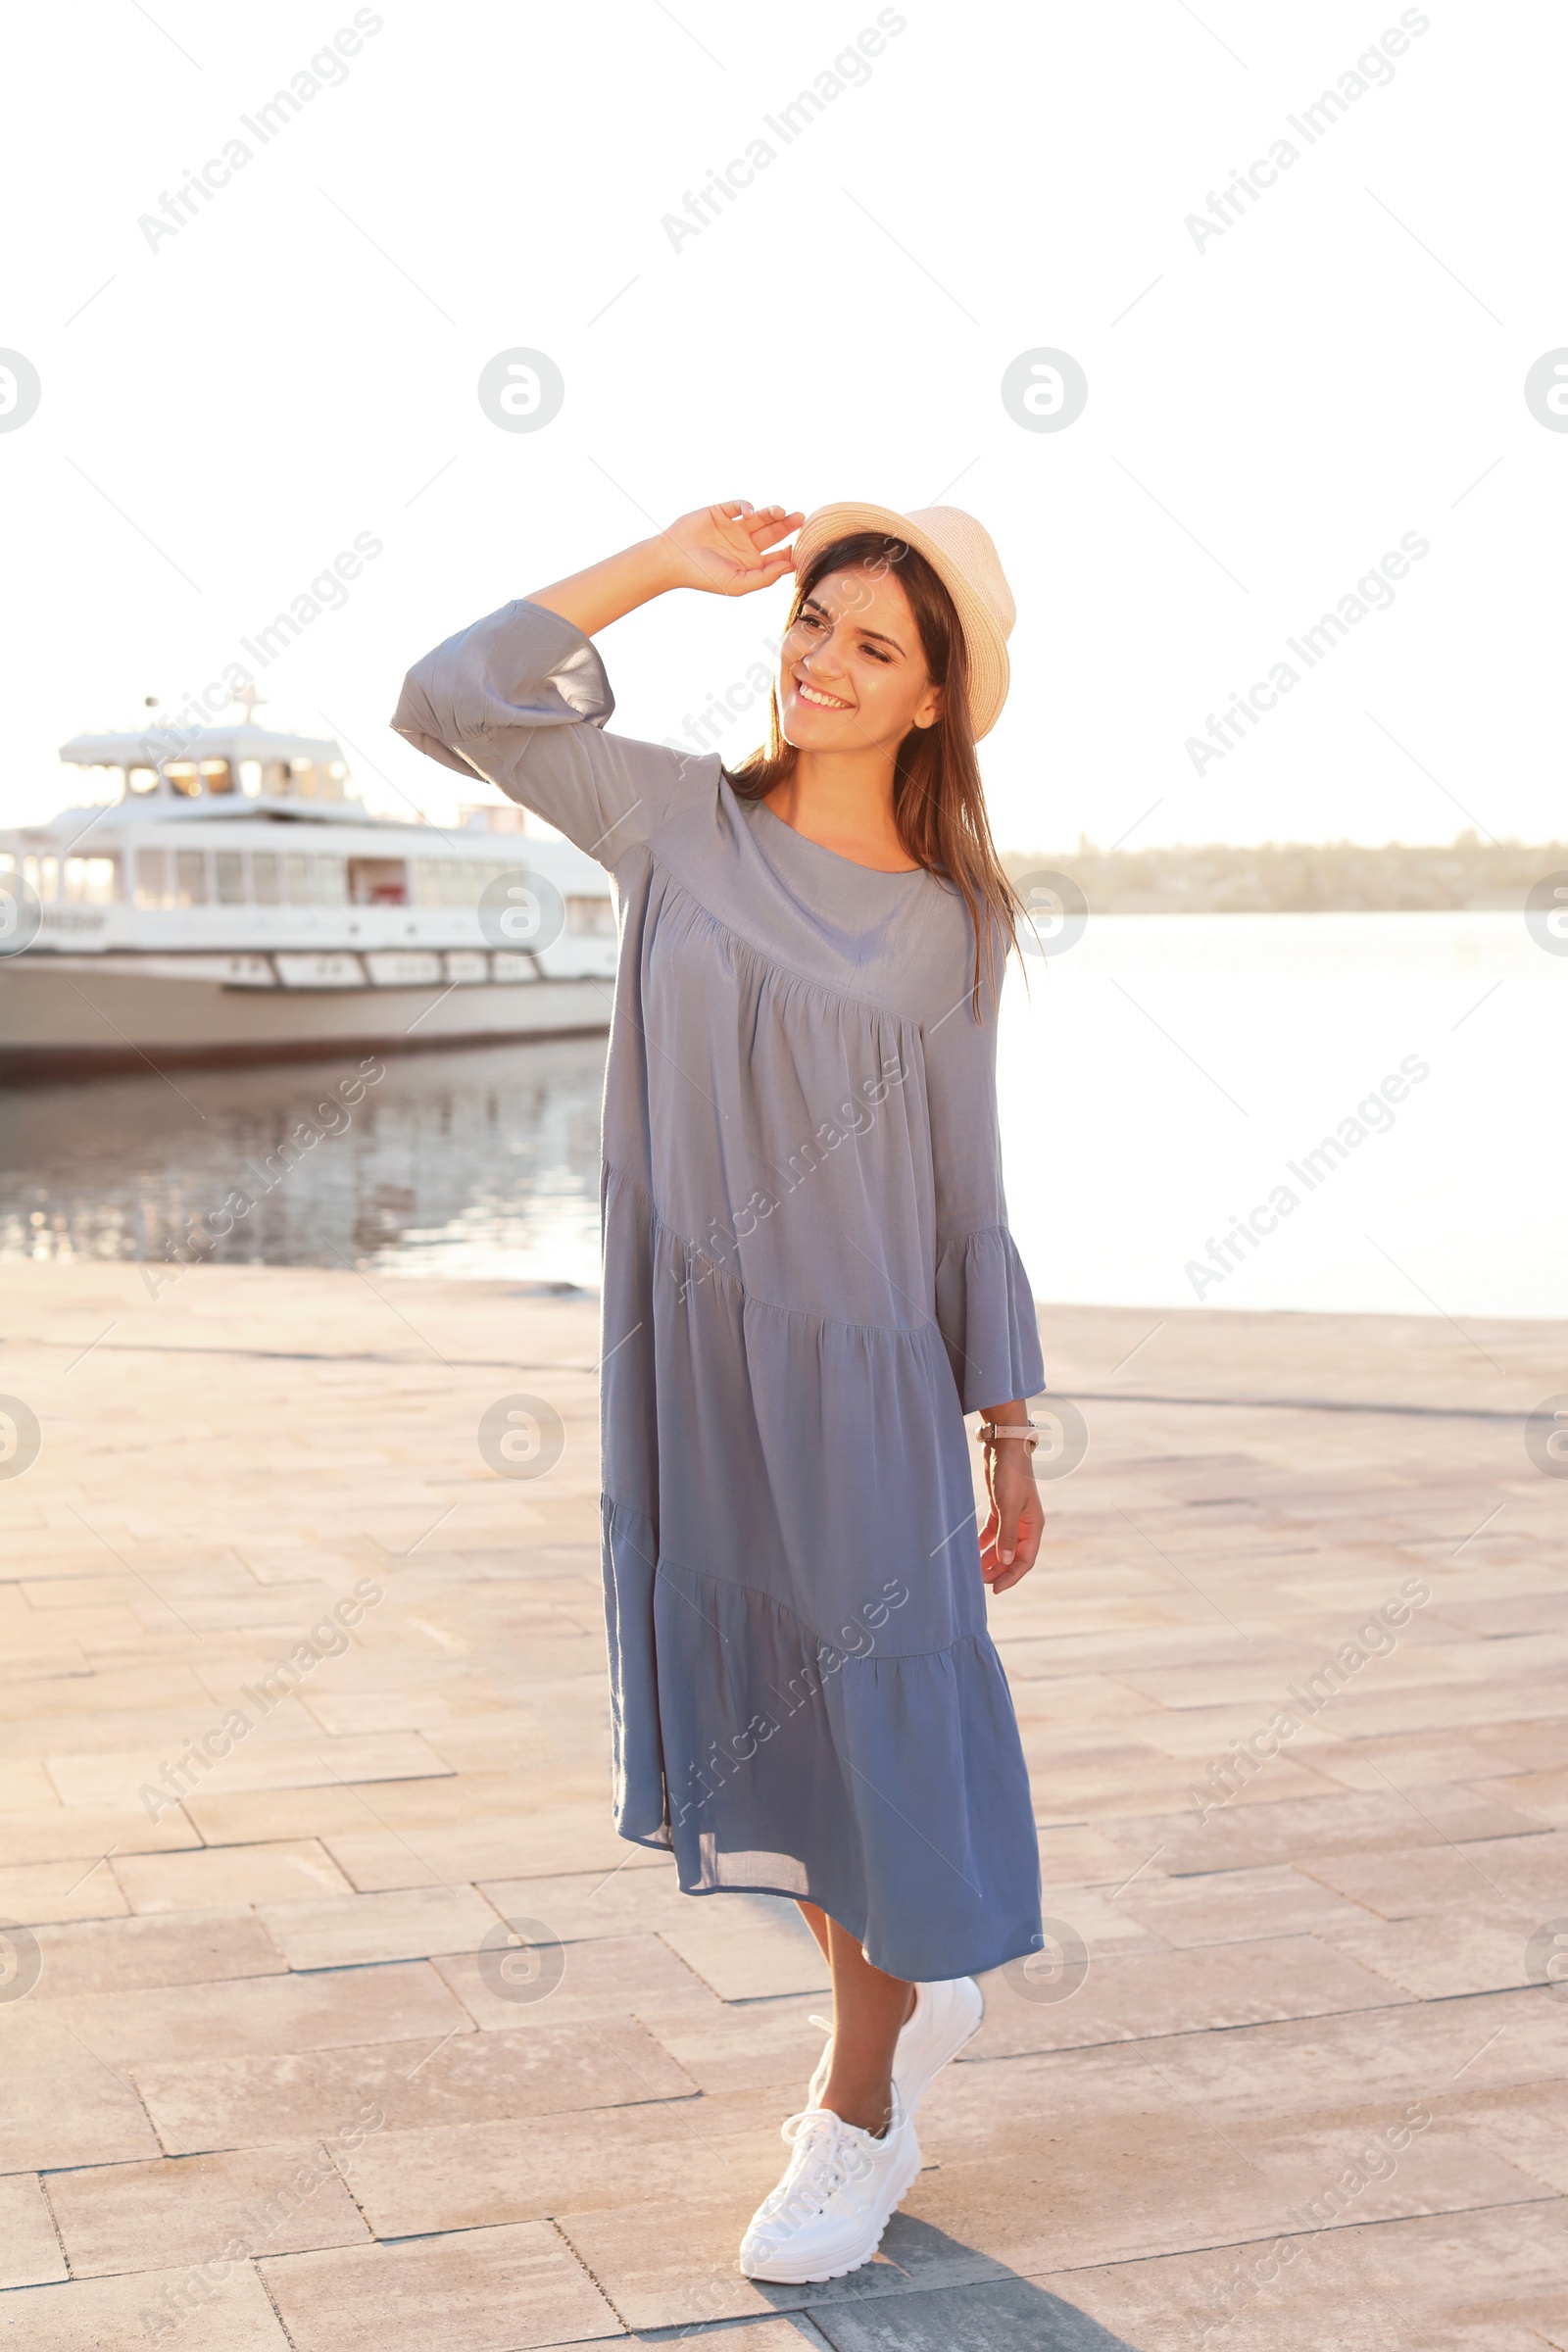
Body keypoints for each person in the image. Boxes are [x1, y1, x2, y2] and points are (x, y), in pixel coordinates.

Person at [393, 499, 1047, 2284]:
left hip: (868, 1389)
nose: (821, 663)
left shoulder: (954, 927)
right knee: (782, 1716)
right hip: (693, 1368)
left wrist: (1010, 1429)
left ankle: (862, 2116)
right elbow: (453, 692)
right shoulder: (676, 818)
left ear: (934, 699)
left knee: (875, 1728)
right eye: (812, 624)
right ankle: (907, 2023)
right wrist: (664, 562)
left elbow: (963, 1200)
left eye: (871, 648)